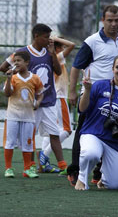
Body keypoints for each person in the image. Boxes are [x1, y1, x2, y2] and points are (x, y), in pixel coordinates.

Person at [65, 5, 118, 185]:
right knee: (83, 131)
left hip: (114, 96)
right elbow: (76, 67)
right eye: (109, 20)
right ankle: (75, 170)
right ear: (103, 20)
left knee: (110, 130)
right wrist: (72, 91)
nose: (113, 24)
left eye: (117, 20)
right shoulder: (92, 41)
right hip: (92, 94)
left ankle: (99, 173)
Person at [0, 23, 65, 174]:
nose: (49, 40)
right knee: (29, 136)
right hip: (28, 104)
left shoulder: (49, 52)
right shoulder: (22, 53)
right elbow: (3, 67)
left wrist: (53, 53)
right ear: (36, 36)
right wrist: (14, 75)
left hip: (47, 100)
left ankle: (63, 165)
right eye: (46, 37)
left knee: (54, 133)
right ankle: (30, 165)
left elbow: (58, 71)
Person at [75, 53, 118, 190]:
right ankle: (82, 178)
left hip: (114, 141)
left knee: (114, 185)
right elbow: (82, 109)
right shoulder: (99, 86)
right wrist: (87, 90)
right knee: (91, 153)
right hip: (93, 133)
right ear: (112, 69)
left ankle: (104, 179)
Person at [2, 50, 44, 179]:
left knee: (28, 143)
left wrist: (37, 103)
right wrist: (8, 80)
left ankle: (27, 169)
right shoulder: (13, 78)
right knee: (10, 142)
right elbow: (7, 93)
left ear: (27, 62)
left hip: (29, 116)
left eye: (18, 61)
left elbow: (41, 93)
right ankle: (8, 168)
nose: (16, 63)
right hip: (13, 115)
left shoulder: (35, 78)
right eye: (14, 61)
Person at [41, 34, 76, 173]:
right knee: (66, 130)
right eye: (61, 46)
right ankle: (44, 155)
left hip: (51, 97)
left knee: (51, 131)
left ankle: (44, 163)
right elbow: (72, 45)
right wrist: (55, 39)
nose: (63, 47)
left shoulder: (48, 58)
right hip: (59, 97)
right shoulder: (57, 57)